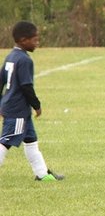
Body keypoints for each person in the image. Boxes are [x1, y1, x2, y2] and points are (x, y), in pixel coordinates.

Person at [0, 21, 64, 181]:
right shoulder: (24, 60)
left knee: (31, 141)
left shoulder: (11, 57)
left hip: (16, 109)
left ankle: (42, 174)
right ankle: (41, 174)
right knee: (5, 142)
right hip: (17, 111)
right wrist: (37, 105)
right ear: (23, 40)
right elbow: (26, 86)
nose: (37, 43)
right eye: (34, 40)